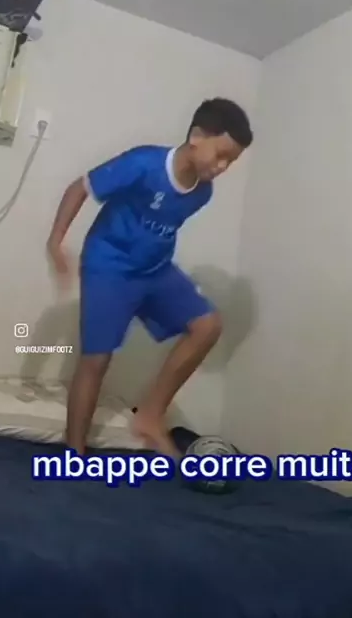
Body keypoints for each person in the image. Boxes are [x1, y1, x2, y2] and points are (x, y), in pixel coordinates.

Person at [46, 98, 253, 457]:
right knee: (96, 360)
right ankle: (74, 453)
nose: (222, 167)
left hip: (155, 269)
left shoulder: (202, 193)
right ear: (196, 137)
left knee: (208, 326)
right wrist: (55, 242)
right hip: (109, 267)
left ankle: (150, 416)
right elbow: (79, 188)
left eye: (230, 162)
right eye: (220, 155)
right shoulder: (143, 164)